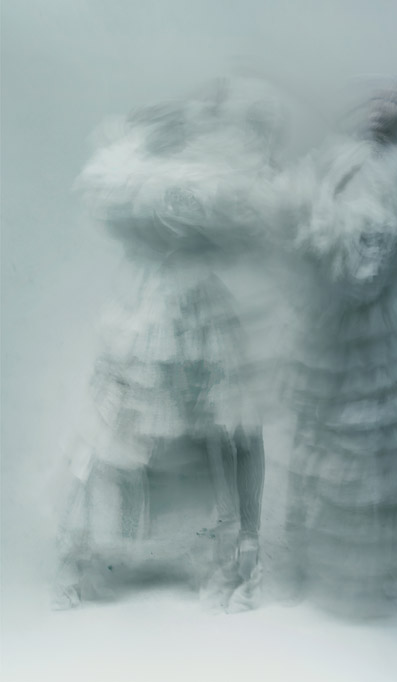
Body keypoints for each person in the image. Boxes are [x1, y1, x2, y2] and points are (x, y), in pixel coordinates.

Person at [52, 78, 283, 612]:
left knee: (231, 428)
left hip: (204, 314)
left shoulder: (222, 179)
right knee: (112, 427)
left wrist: (249, 149)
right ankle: (77, 553)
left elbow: (250, 223)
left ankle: (242, 552)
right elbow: (114, 193)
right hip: (149, 315)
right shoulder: (138, 177)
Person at [282, 78, 397, 614]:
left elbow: (384, 258)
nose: (379, 107)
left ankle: (379, 565)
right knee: (317, 430)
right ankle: (308, 557)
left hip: (368, 326)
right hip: (323, 323)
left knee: (370, 439)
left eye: (395, 103)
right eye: (377, 97)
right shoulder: (335, 157)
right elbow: (296, 217)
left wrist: (336, 243)